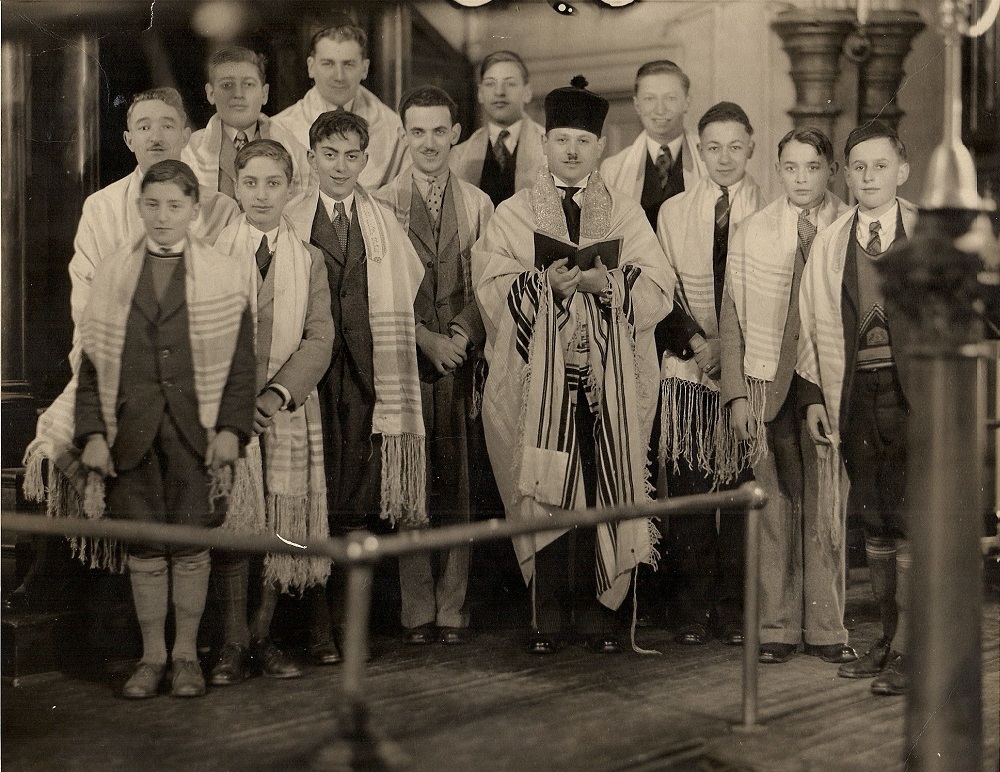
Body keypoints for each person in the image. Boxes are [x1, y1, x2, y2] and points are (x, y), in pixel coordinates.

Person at [473, 76, 674, 654]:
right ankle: (549, 614)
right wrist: (545, 286)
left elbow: (658, 286)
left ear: (600, 146)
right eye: (560, 139)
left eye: (582, 142)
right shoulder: (513, 214)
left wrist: (607, 283)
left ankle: (602, 615)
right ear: (545, 143)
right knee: (549, 482)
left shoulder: (627, 214)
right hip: (541, 383)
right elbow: (490, 284)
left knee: (604, 480)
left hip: (608, 382)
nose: (570, 151)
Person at [23, 87, 239, 547]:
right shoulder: (101, 207)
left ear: (187, 134)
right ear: (127, 140)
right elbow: (86, 300)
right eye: (143, 127)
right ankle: (101, 562)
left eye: (166, 125)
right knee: (61, 434)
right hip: (119, 361)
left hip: (197, 367)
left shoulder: (220, 207)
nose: (155, 136)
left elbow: (224, 304)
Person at [74, 159, 256, 698]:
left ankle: (186, 658)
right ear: (138, 208)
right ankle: (152, 657)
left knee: (192, 544)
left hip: (193, 435)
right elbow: (91, 365)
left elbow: (241, 368)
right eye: (152, 204)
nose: (162, 216)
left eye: (175, 205)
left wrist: (230, 430)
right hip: (130, 435)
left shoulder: (223, 275)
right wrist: (93, 434)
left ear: (195, 211)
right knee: (147, 547)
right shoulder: (112, 274)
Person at [285, 111, 426, 661]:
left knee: (358, 507)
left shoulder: (383, 221)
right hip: (314, 382)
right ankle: (316, 629)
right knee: (313, 503)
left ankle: (352, 627)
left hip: (368, 384)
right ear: (311, 158)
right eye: (329, 155)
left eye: (352, 156)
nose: (340, 166)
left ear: (366, 160)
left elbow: (403, 286)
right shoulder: (293, 218)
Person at [719, 127, 856, 665]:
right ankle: (775, 626)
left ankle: (826, 626)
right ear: (778, 170)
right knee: (773, 505)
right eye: (791, 168)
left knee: (825, 503)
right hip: (764, 382)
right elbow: (731, 318)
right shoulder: (754, 230)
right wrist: (734, 395)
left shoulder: (847, 228)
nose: (801, 179)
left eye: (813, 168)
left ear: (830, 171)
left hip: (825, 381)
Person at [797, 120, 918, 696]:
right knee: (874, 518)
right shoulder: (831, 240)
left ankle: (911, 647)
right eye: (859, 167)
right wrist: (817, 396)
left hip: (914, 400)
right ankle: (890, 636)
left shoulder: (924, 233)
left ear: (903, 170)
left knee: (913, 517)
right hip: (854, 397)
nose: (868, 177)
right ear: (846, 175)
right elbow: (809, 325)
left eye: (880, 166)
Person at [209, 139, 334, 685]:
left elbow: (319, 338)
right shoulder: (212, 252)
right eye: (251, 183)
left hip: (285, 410)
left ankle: (264, 636)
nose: (261, 195)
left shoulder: (309, 259)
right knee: (238, 524)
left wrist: (274, 394)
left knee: (283, 527)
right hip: (225, 410)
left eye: (273, 183)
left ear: (292, 187)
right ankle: (231, 643)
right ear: (236, 186)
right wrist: (237, 401)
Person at [374, 86, 494, 645]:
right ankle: (416, 610)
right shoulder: (381, 203)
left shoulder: (477, 203)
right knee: (412, 483)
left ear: (454, 134)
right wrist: (424, 338)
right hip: (407, 362)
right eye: (416, 131)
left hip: (461, 365)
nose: (428, 142)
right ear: (404, 135)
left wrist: (463, 334)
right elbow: (378, 294)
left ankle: (454, 607)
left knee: (459, 487)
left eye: (439, 131)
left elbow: (489, 283)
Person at [656, 102, 766, 646]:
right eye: (713, 147)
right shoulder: (673, 211)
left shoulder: (769, 209)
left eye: (735, 146)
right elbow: (660, 288)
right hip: (689, 369)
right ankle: (689, 610)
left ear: (751, 147)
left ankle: (733, 611)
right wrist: (700, 343)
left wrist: (733, 350)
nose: (725, 157)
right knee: (692, 492)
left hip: (747, 376)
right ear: (699, 151)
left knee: (742, 491)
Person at [272, 23, 406, 191]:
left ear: (364, 69)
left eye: (348, 64)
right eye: (328, 64)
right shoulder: (279, 129)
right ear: (311, 67)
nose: (339, 76)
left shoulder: (395, 129)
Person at [183, 46, 311, 199]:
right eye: (227, 85)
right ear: (211, 93)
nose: (238, 94)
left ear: (264, 94)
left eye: (248, 84)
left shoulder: (292, 148)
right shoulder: (189, 151)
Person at [600, 60, 707, 231]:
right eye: (650, 98)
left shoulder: (709, 161)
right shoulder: (613, 169)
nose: (660, 110)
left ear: (687, 102)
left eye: (670, 98)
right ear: (637, 104)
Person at [450, 51, 545, 208]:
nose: (499, 92)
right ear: (480, 94)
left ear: (527, 93)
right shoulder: (460, 155)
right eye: (490, 83)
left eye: (510, 83)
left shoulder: (548, 148)